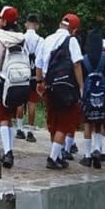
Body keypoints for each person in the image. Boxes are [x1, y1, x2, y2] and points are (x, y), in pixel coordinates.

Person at [36, 13, 84, 170]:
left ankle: (57, 155)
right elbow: (76, 64)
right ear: (74, 30)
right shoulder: (72, 41)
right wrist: (81, 86)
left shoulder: (47, 39)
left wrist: (39, 83)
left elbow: (38, 64)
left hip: (49, 86)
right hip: (66, 88)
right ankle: (52, 158)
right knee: (64, 123)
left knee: (54, 122)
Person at [0, 6, 25, 169]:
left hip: (2, 84)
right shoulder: (22, 39)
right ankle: (9, 149)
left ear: (5, 21)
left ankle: (8, 152)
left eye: (0, 19)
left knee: (2, 119)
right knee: (9, 119)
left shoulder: (0, 40)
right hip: (18, 83)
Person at [79, 29, 105, 169]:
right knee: (99, 124)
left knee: (88, 124)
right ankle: (98, 150)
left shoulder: (84, 59)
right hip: (102, 95)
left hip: (88, 96)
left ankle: (88, 156)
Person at [18, 13, 44, 143]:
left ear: (26, 24)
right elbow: (41, 60)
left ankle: (19, 129)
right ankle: (30, 132)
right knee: (32, 103)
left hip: (22, 73)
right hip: (34, 75)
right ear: (37, 26)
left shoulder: (20, 38)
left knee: (20, 102)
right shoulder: (40, 40)